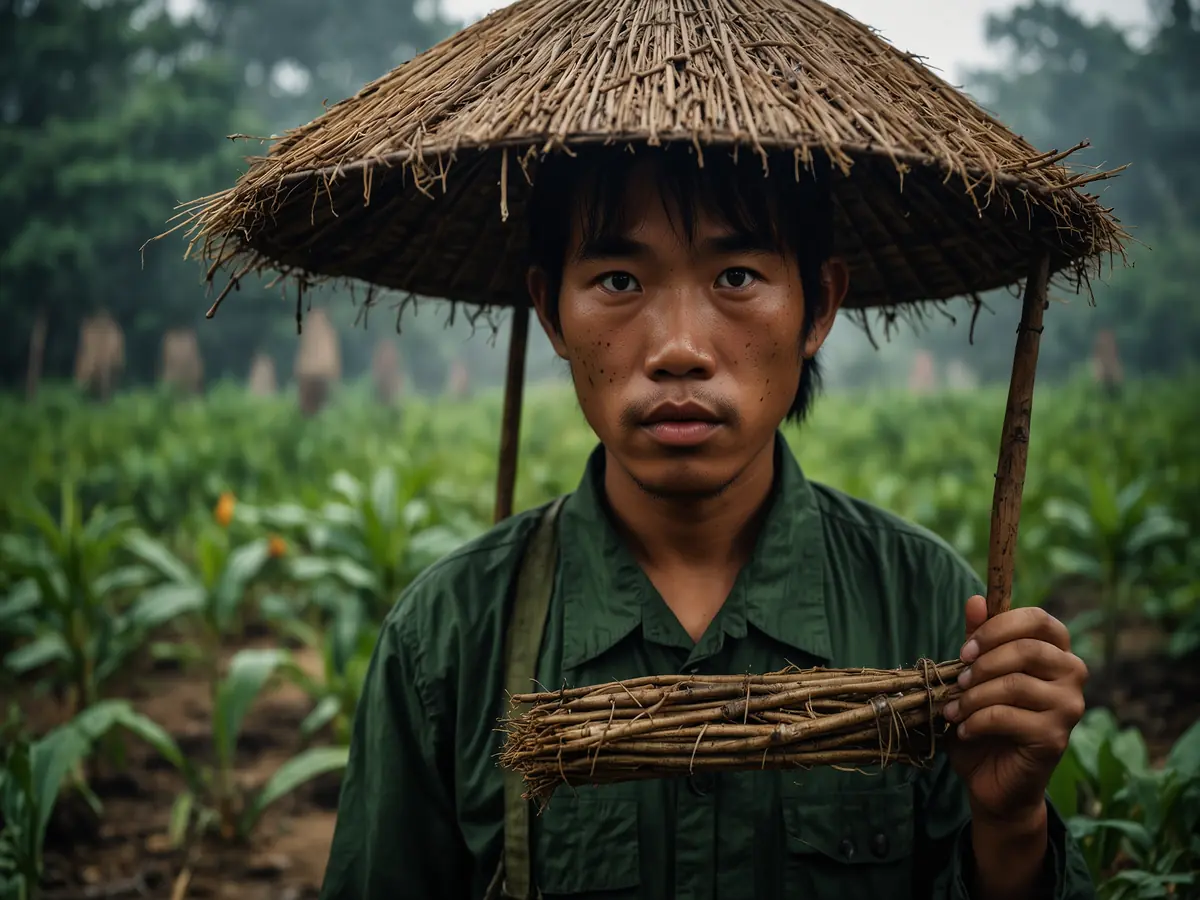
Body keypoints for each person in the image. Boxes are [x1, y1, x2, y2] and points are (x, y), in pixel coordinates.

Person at [315, 144, 1093, 900]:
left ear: (818, 306)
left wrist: (1012, 824)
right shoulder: (450, 635)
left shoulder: (929, 609)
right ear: (551, 311)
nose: (679, 350)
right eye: (618, 279)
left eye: (736, 276)